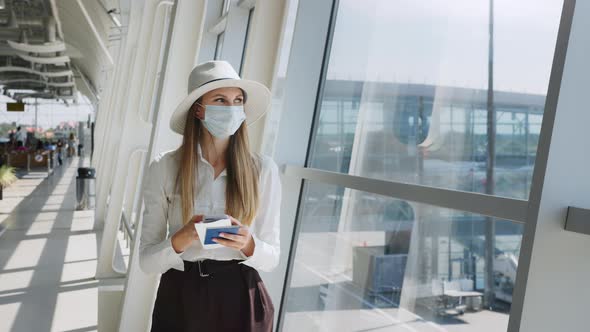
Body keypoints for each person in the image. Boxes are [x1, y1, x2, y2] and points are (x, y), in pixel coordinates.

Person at [139, 61, 280, 332]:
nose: (232, 109)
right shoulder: (165, 168)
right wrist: (181, 239)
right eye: (220, 100)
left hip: (242, 296)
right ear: (199, 110)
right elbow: (146, 261)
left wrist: (249, 243)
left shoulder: (263, 170)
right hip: (181, 294)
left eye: (238, 101)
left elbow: (273, 257)